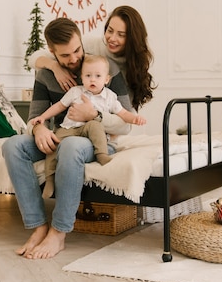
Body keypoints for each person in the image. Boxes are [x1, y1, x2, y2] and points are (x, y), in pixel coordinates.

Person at [2, 18, 133, 260]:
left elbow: (128, 123)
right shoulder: (46, 73)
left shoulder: (104, 68)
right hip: (60, 135)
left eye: (77, 50)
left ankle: (59, 232)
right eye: (65, 56)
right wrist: (39, 129)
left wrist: (95, 114)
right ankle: (38, 225)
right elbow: (34, 118)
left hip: (96, 139)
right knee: (12, 145)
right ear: (52, 52)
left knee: (71, 147)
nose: (74, 59)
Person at [28, 54, 146, 198]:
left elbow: (123, 113)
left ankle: (101, 154)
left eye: (97, 76)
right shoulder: (75, 91)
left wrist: (135, 119)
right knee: (53, 145)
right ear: (82, 77)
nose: (92, 79)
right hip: (69, 128)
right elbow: (59, 106)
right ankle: (49, 179)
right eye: (88, 75)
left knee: (96, 125)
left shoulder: (110, 97)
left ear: (106, 79)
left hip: (88, 130)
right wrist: (43, 117)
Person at [28, 5, 155, 111]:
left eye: (121, 35)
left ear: (133, 38)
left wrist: (99, 119)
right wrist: (55, 66)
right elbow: (34, 57)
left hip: (108, 122)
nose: (112, 38)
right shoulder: (89, 45)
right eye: (110, 30)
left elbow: (126, 114)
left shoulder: (129, 67)